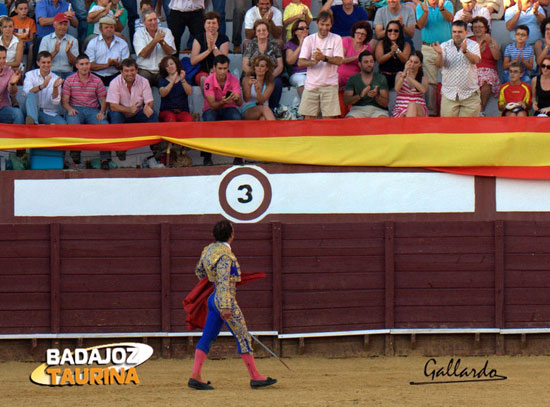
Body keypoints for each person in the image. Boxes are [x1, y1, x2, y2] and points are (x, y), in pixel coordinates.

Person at [188, 220, 277, 391]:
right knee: (243, 336)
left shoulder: (209, 250)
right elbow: (223, 282)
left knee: (208, 337)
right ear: (231, 235)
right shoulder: (225, 256)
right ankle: (255, 377)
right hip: (225, 299)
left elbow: (199, 271)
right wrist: (226, 306)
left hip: (213, 298)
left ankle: (195, 376)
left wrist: (211, 284)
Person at [61, 53, 109, 166]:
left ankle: (105, 159)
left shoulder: (97, 80)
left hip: (93, 110)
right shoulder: (69, 80)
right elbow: (64, 101)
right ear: (77, 66)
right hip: (76, 109)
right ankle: (76, 152)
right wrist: (69, 109)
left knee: (105, 126)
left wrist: (102, 112)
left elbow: (103, 100)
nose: (85, 67)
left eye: (87, 63)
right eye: (81, 64)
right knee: (73, 123)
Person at [297, 11, 343, 119]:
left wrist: (324, 58)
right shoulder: (309, 39)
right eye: (322, 24)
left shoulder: (336, 39)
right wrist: (314, 61)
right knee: (308, 120)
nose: (324, 27)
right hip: (311, 85)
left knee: (329, 121)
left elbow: (339, 60)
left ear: (331, 25)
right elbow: (300, 62)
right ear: (317, 23)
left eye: (327, 25)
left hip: (330, 85)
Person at [434, 20, 481, 117]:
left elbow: (475, 60)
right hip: (449, 95)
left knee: (468, 131)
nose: (456, 34)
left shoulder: (473, 45)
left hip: (470, 95)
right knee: (448, 129)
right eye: (454, 32)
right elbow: (439, 64)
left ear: (466, 33)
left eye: (459, 32)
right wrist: (439, 54)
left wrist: (465, 51)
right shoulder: (444, 46)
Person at [202, 54, 242, 165]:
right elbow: (212, 105)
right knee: (209, 119)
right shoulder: (208, 81)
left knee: (237, 118)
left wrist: (236, 97)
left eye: (225, 68)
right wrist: (222, 102)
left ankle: (239, 155)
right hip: (212, 108)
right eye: (220, 68)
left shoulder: (233, 79)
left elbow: (240, 103)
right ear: (214, 68)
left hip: (229, 108)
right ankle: (207, 156)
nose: (223, 71)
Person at [416, 0, 453, 116]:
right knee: (430, 83)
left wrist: (441, 7)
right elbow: (420, 25)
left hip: (446, 47)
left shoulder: (447, 3)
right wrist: (425, 12)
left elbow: (450, 19)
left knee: (447, 81)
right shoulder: (420, 6)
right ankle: (431, 113)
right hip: (428, 48)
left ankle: (446, 112)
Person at [242, 19, 283, 111]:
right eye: (259, 30)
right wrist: (257, 75)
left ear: (268, 32)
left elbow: (280, 66)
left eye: (264, 30)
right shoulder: (250, 44)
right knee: (244, 79)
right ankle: (248, 106)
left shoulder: (274, 45)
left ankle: (273, 108)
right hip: (253, 73)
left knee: (277, 82)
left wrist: (268, 76)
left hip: (270, 73)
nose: (261, 32)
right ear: (255, 33)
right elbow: (245, 65)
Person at [134, 9, 175, 87]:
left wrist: (162, 42)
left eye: (155, 19)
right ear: (143, 22)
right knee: (141, 83)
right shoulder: (138, 34)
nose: (153, 22)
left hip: (162, 69)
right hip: (144, 70)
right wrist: (155, 40)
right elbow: (144, 54)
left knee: (168, 84)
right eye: (150, 20)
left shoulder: (167, 31)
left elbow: (170, 53)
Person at [23, 50, 66, 124]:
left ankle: (34, 123)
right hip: (30, 109)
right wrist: (42, 86)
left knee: (62, 124)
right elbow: (27, 93)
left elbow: (55, 102)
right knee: (31, 94)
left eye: (48, 62)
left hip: (47, 112)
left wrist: (55, 88)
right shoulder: (30, 75)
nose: (46, 65)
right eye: (43, 62)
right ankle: (34, 123)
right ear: (38, 63)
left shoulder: (56, 79)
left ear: (51, 63)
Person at [343, 49, 389, 118]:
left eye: (371, 62)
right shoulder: (352, 79)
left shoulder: (381, 78)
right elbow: (346, 101)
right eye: (366, 62)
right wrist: (360, 96)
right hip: (357, 110)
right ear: (359, 64)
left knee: (383, 119)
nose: (369, 64)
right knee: (350, 120)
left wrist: (376, 96)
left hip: (377, 110)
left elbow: (385, 103)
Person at [190, 11, 229, 91]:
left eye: (214, 23)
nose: (211, 26)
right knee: (204, 79)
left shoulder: (224, 38)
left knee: (222, 78)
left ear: (218, 25)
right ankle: (210, 102)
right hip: (203, 71)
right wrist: (208, 50)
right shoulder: (199, 38)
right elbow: (193, 61)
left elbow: (223, 60)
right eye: (209, 23)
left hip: (220, 70)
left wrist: (214, 47)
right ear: (204, 25)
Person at [85, 16, 130, 86]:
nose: (109, 29)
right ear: (100, 29)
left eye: (111, 27)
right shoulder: (93, 43)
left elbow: (126, 64)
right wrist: (107, 65)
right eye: (106, 27)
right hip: (96, 75)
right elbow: (89, 65)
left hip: (116, 75)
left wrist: (117, 64)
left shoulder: (122, 43)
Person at [471, 16, 499, 116]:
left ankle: (481, 109)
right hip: (473, 69)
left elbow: (497, 57)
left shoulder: (492, 41)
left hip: (489, 70)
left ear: (486, 28)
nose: (477, 29)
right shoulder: (469, 42)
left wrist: (490, 43)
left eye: (480, 27)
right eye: (475, 27)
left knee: (486, 81)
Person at [38, 13, 78, 79]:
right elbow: (41, 60)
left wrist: (68, 53)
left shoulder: (73, 40)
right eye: (60, 24)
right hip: (50, 72)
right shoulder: (46, 39)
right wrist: (55, 52)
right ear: (54, 25)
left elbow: (76, 63)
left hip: (68, 72)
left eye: (65, 25)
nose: (62, 27)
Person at [337, 21, 375, 89]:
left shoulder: (367, 47)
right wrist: (358, 56)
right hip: (340, 76)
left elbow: (365, 67)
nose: (360, 36)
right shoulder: (346, 41)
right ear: (354, 33)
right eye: (358, 33)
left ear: (366, 36)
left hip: (355, 77)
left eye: (363, 34)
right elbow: (341, 60)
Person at [375, 20, 411, 89]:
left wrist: (397, 50)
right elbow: (379, 60)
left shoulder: (406, 44)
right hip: (384, 75)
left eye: (396, 30)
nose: (393, 32)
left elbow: (405, 59)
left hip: (400, 77)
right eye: (390, 30)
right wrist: (391, 53)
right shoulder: (381, 43)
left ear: (400, 32)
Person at [392, 51, 428, 117]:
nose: (412, 64)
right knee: (406, 113)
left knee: (412, 105)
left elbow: (423, 90)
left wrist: (410, 78)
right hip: (401, 108)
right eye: (410, 61)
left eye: (415, 62)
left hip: (419, 107)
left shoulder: (423, 77)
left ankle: (409, 126)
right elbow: (397, 88)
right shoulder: (400, 74)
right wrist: (404, 72)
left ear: (420, 64)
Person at [158, 54, 193, 122]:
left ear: (176, 64)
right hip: (167, 112)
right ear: (165, 69)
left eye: (171, 64)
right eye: (167, 66)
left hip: (182, 111)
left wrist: (182, 80)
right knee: (170, 119)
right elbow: (163, 93)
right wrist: (173, 81)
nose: (170, 67)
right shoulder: (162, 80)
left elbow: (190, 92)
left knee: (189, 120)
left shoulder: (185, 78)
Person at [241, 54, 275, 120]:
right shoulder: (247, 79)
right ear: (254, 67)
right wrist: (249, 86)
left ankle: (274, 129)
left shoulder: (270, 83)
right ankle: (277, 129)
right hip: (248, 109)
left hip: (262, 108)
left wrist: (258, 91)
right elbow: (246, 99)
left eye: (262, 66)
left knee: (262, 119)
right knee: (264, 108)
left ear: (267, 68)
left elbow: (261, 101)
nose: (259, 68)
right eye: (257, 66)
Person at [284, 20, 308, 99]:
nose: (305, 30)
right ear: (295, 31)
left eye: (306, 28)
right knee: (302, 81)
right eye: (301, 28)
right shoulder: (290, 44)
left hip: (312, 72)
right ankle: (306, 107)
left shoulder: (313, 41)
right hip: (297, 74)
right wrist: (300, 46)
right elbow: (290, 61)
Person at [0, 45, 24, 124]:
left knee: (17, 114)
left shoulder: (9, 72)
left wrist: (13, 84)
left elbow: (12, 93)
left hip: (2, 109)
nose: (2, 61)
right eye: (0, 58)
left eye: (4, 58)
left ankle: (18, 136)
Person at [12, 0, 36, 69]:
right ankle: (16, 66)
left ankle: (28, 69)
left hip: (26, 42)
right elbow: (10, 35)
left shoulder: (31, 21)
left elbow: (31, 38)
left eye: (25, 8)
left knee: (31, 45)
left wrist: (24, 41)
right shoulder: (12, 20)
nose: (24, 11)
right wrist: (20, 41)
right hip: (15, 41)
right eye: (21, 9)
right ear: (16, 10)